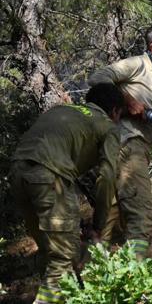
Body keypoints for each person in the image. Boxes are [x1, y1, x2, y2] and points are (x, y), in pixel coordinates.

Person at [10, 83, 125, 304]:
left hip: (17, 175)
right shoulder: (108, 126)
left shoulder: (62, 111)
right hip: (49, 176)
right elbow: (107, 177)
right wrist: (99, 225)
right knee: (62, 258)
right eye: (121, 116)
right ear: (114, 111)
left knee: (51, 253)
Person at [87, 24, 152, 258]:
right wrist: (127, 100)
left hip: (133, 145)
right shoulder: (137, 64)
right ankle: (137, 280)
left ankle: (90, 281)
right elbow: (97, 78)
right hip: (126, 144)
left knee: (108, 219)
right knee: (141, 216)